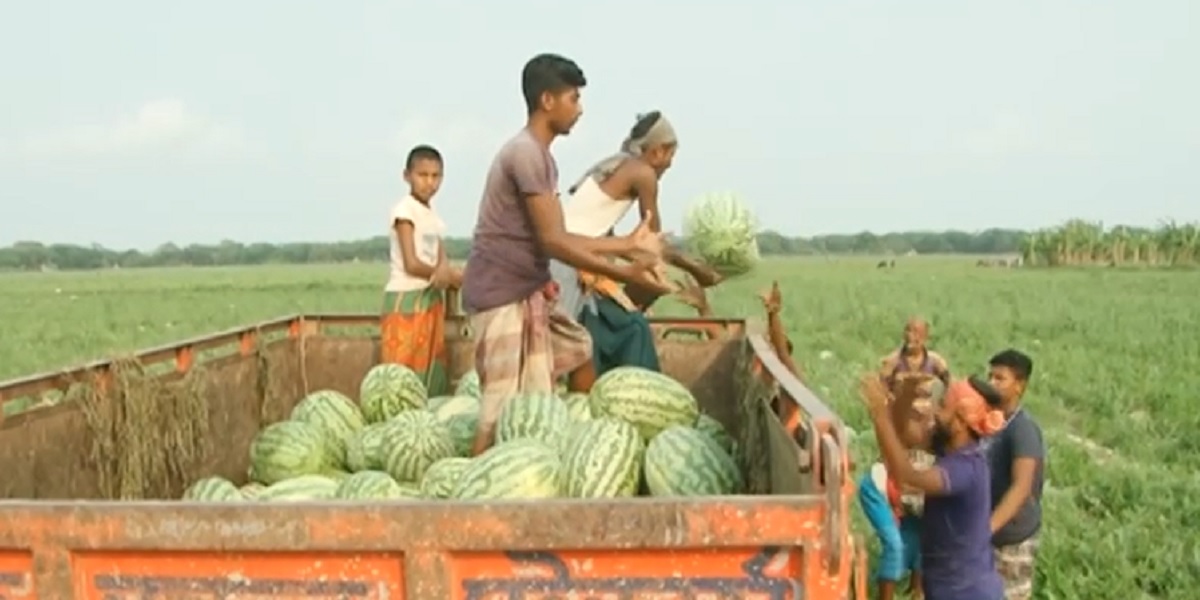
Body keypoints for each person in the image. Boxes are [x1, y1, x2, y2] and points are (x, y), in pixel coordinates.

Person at [461, 53, 673, 456]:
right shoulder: (525, 154)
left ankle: (534, 473)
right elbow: (555, 243)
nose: (580, 109)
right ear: (547, 101)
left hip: (524, 293)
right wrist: (630, 265)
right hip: (500, 294)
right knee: (498, 412)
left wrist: (628, 248)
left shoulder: (540, 157)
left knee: (554, 380)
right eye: (574, 99)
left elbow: (562, 235)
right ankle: (474, 494)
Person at [549, 111, 722, 380]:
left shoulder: (618, 166)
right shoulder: (643, 173)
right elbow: (654, 245)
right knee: (579, 345)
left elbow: (612, 239)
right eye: (670, 156)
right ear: (657, 151)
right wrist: (698, 271)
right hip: (567, 267)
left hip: (568, 260)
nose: (669, 165)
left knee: (609, 328)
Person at [859, 372, 1006, 600]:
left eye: (944, 407)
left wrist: (880, 414)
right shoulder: (948, 445)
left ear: (960, 423)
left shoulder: (966, 468)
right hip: (948, 586)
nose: (936, 413)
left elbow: (906, 478)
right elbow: (904, 435)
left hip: (966, 592)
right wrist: (906, 394)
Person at [380, 144, 461, 396]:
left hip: (429, 300)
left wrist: (452, 276)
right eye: (422, 175)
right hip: (407, 299)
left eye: (436, 176)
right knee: (402, 375)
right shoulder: (405, 211)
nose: (430, 183)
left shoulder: (432, 217)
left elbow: (441, 258)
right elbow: (411, 263)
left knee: (429, 371)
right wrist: (443, 276)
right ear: (407, 176)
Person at [858, 377, 940, 600]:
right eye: (920, 397)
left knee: (921, 539)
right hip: (880, 488)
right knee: (894, 545)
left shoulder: (937, 428)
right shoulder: (906, 423)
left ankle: (916, 591)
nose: (924, 405)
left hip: (909, 494)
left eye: (928, 397)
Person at [984, 349, 1044, 600]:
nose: (991, 383)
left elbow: (1022, 487)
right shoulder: (992, 421)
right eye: (990, 376)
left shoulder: (1022, 430)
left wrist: (986, 529)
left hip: (1012, 537)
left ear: (1019, 386)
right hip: (991, 532)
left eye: (1000, 378)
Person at [880, 318, 951, 389]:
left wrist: (933, 384)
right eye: (908, 331)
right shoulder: (892, 361)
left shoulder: (936, 361)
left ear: (925, 336)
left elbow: (948, 385)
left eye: (915, 332)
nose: (910, 336)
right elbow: (880, 388)